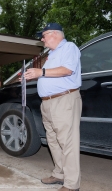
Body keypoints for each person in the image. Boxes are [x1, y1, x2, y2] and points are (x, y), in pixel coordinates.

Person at [23, 23, 82, 191]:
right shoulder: (51, 54)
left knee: (67, 142)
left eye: (44, 35)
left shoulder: (69, 47)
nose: (42, 39)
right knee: (53, 140)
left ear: (55, 34)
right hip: (48, 103)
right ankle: (59, 173)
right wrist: (33, 75)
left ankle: (71, 184)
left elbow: (68, 70)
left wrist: (40, 72)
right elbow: (50, 75)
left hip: (64, 100)